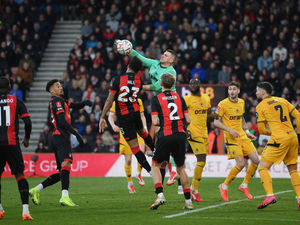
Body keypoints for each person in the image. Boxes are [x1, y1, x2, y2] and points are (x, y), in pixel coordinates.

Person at [29, 80, 92, 207]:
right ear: (52, 91)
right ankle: (64, 196)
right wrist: (77, 134)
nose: (61, 87)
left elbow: (73, 105)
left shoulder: (61, 101)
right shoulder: (56, 101)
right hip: (61, 136)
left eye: (61, 85)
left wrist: (84, 103)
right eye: (57, 86)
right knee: (67, 164)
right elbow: (62, 122)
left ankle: (36, 189)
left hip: (58, 137)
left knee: (61, 172)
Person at [125, 41, 178, 185]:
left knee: (167, 135)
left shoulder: (171, 72)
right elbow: (139, 58)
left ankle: (173, 170)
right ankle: (169, 166)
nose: (163, 55)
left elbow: (156, 86)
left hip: (168, 102)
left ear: (171, 60)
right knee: (162, 135)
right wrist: (128, 49)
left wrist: (139, 87)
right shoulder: (154, 64)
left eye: (166, 55)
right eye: (163, 53)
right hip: (158, 102)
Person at [99, 57, 154, 174]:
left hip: (124, 117)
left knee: (135, 147)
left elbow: (109, 100)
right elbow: (137, 94)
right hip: (135, 113)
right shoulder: (139, 81)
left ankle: (150, 171)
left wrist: (102, 116)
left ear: (128, 66)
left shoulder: (117, 80)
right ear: (138, 70)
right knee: (143, 133)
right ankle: (155, 150)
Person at [149, 73, 193, 210]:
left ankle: (160, 195)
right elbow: (189, 119)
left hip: (165, 135)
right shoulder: (180, 98)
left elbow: (155, 121)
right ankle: (188, 201)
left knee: (155, 165)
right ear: (173, 84)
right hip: (180, 135)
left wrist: (164, 121)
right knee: (180, 168)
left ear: (161, 84)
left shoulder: (156, 99)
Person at [255, 82, 300, 209]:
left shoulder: (260, 106)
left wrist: (273, 132)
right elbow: (298, 115)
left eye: (257, 91)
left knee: (263, 167)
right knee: (293, 169)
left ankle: (270, 195)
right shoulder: (282, 100)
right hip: (293, 137)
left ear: (263, 92)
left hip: (279, 138)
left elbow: (262, 130)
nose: (256, 93)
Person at [214, 81, 259, 201]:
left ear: (238, 91)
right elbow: (216, 122)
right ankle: (224, 186)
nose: (232, 91)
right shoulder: (222, 104)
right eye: (230, 89)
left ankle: (244, 185)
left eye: (234, 89)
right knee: (241, 164)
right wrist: (230, 130)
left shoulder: (241, 102)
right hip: (231, 137)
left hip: (242, 135)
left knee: (255, 160)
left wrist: (247, 131)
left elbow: (241, 118)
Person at [0, 77, 33, 220]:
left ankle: (0, 209)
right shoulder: (16, 101)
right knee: (20, 175)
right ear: (9, 87)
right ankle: (25, 211)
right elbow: (28, 122)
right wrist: (26, 139)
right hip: (12, 143)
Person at [108, 98, 147, 193]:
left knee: (141, 151)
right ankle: (130, 183)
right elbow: (111, 115)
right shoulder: (117, 102)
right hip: (125, 131)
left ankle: (139, 173)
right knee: (128, 160)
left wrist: (145, 127)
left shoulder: (138, 100)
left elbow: (142, 115)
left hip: (138, 130)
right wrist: (113, 125)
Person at [184, 78, 213, 202]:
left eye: (195, 83)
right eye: (190, 83)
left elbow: (209, 115)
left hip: (204, 132)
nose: (192, 85)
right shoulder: (187, 99)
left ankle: (193, 189)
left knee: (202, 161)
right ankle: (194, 190)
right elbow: (181, 116)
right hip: (193, 132)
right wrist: (186, 129)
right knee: (201, 159)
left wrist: (214, 116)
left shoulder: (206, 98)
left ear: (199, 85)